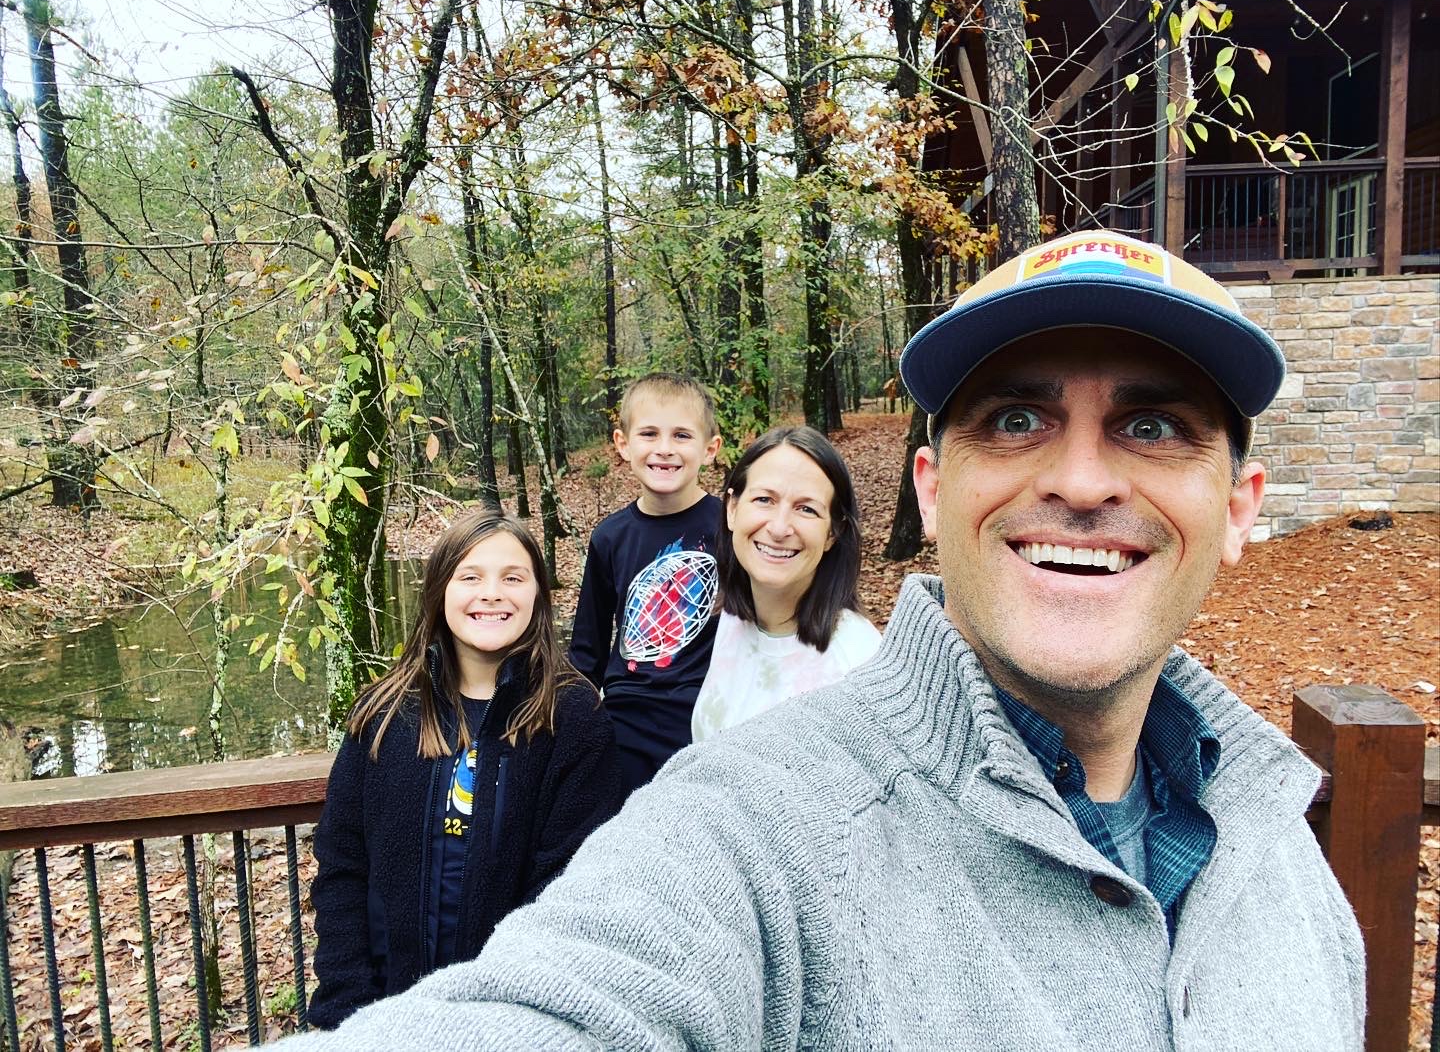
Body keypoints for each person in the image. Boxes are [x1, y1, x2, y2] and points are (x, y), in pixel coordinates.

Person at [276, 231, 1364, 1050]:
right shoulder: (761, 829)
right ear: (932, 490)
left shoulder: (1283, 856)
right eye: (1016, 420)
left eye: (1154, 426)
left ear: (1240, 508)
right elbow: (566, 997)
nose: (1081, 480)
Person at [306, 508, 621, 1030]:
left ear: (538, 595)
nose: (492, 594)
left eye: (513, 578)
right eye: (470, 577)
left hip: (514, 1017)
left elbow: (571, 887)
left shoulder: (573, 719)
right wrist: (348, 1009)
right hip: (386, 1012)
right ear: (440, 592)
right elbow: (342, 866)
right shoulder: (385, 715)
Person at [568, 372, 724, 793]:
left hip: (708, 717)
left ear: (710, 449)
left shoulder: (731, 526)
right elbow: (587, 650)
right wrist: (570, 722)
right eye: (649, 434)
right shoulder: (610, 537)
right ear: (623, 444)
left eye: (682, 435)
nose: (665, 448)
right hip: (627, 720)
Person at [691, 426, 880, 741]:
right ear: (732, 509)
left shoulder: (859, 664)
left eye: (806, 509)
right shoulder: (730, 621)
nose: (779, 528)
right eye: (764, 499)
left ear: (832, 533)